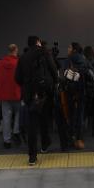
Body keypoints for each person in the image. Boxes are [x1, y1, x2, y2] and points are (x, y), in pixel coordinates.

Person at [15, 35, 58, 166]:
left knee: (32, 125)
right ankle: (44, 144)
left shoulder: (23, 57)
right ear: (38, 42)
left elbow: (17, 78)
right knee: (44, 119)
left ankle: (32, 157)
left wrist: (26, 85)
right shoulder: (45, 53)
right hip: (44, 92)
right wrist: (54, 83)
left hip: (30, 94)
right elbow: (53, 70)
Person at [63, 42, 93, 149]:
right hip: (82, 92)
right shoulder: (84, 59)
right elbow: (92, 73)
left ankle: (71, 138)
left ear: (74, 49)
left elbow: (63, 75)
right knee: (80, 116)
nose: (68, 49)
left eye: (69, 47)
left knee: (71, 116)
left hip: (70, 92)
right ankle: (79, 139)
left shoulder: (68, 60)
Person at [0, 43, 21, 148]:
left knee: (6, 118)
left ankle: (6, 141)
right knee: (19, 114)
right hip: (17, 93)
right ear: (16, 50)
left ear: (8, 51)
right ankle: (16, 131)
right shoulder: (19, 63)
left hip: (4, 95)